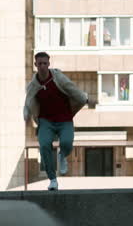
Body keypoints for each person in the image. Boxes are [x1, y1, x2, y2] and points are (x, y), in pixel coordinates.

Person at [23, 52, 96, 190]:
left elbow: (73, 89)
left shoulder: (58, 77)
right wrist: (26, 115)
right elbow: (28, 102)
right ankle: (53, 180)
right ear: (35, 65)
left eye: (45, 63)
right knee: (44, 145)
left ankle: (62, 155)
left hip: (64, 119)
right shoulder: (33, 85)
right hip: (46, 121)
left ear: (49, 64)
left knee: (67, 142)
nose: (43, 66)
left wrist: (87, 100)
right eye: (40, 64)